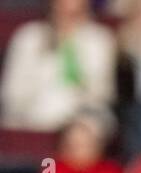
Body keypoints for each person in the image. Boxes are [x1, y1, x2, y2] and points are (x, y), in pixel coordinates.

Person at [0, 0, 116, 131]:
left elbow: (102, 94)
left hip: (80, 121)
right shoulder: (29, 37)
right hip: (30, 116)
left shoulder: (99, 40)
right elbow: (12, 93)